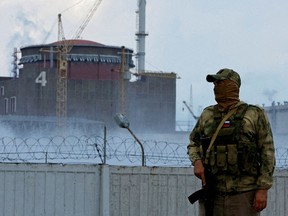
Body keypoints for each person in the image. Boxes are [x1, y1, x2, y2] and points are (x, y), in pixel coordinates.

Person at [187, 68, 275, 216]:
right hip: (213, 192)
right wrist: (196, 161)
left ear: (233, 85)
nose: (216, 87)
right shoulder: (207, 115)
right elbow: (193, 143)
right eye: (214, 84)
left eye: (220, 83)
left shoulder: (253, 114)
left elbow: (267, 152)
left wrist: (262, 189)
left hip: (244, 193)